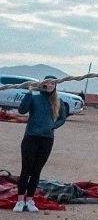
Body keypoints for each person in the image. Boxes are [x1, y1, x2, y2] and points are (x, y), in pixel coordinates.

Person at [14, 77, 68, 212]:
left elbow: (62, 118)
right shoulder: (35, 98)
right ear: (41, 84)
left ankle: (30, 200)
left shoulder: (58, 101)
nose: (50, 85)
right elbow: (22, 110)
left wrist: (53, 126)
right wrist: (29, 93)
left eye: (53, 83)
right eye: (47, 83)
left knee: (36, 171)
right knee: (26, 169)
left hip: (47, 139)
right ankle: (20, 200)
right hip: (31, 137)